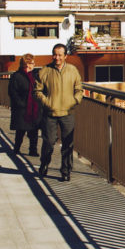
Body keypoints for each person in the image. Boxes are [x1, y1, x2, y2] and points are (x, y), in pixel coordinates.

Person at [34, 43, 83, 181]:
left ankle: (66, 171)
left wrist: (75, 101)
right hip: (50, 114)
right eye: (55, 54)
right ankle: (44, 164)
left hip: (68, 113)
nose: (57, 57)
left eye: (60, 55)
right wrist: (47, 103)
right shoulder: (45, 71)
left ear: (65, 56)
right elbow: (37, 91)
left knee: (68, 144)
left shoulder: (73, 70)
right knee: (49, 142)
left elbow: (79, 89)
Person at [8, 54, 41, 156]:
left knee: (34, 131)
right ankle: (16, 148)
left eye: (32, 63)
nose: (31, 65)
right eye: (29, 63)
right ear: (24, 64)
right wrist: (20, 104)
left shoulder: (35, 76)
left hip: (33, 108)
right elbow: (12, 92)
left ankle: (33, 150)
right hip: (22, 108)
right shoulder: (17, 76)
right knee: (20, 130)